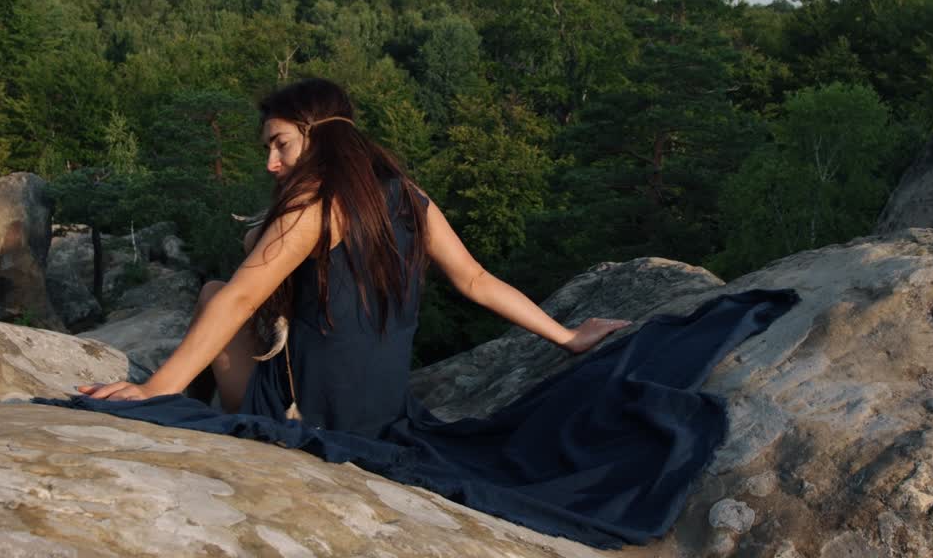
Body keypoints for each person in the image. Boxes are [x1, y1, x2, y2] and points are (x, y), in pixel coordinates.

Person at [77, 78, 628, 422]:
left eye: (281, 144)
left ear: (320, 137)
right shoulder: (408, 195)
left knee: (216, 290)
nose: (270, 162)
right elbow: (476, 279)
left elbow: (242, 298)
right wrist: (568, 337)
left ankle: (185, 401)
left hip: (309, 414)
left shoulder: (312, 208)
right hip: (383, 412)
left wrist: (156, 387)